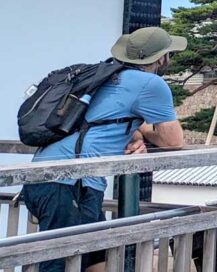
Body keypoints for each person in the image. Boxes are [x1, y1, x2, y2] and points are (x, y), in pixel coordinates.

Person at [21, 27, 186, 272]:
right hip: (70, 185)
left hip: (47, 176)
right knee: (61, 264)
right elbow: (173, 140)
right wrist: (146, 131)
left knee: (97, 260)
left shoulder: (104, 75)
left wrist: (135, 132)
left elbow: (101, 120)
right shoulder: (151, 83)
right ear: (161, 58)